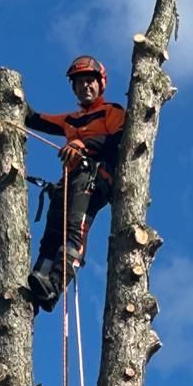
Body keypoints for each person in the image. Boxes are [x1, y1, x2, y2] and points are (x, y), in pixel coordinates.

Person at [26, 56, 126, 309]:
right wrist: (15, 104)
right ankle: (39, 281)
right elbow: (40, 120)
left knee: (73, 228)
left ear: (101, 84)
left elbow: (119, 139)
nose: (85, 87)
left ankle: (55, 284)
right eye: (80, 83)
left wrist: (84, 145)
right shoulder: (71, 119)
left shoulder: (111, 112)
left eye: (90, 81)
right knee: (52, 234)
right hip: (71, 179)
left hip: (97, 177)